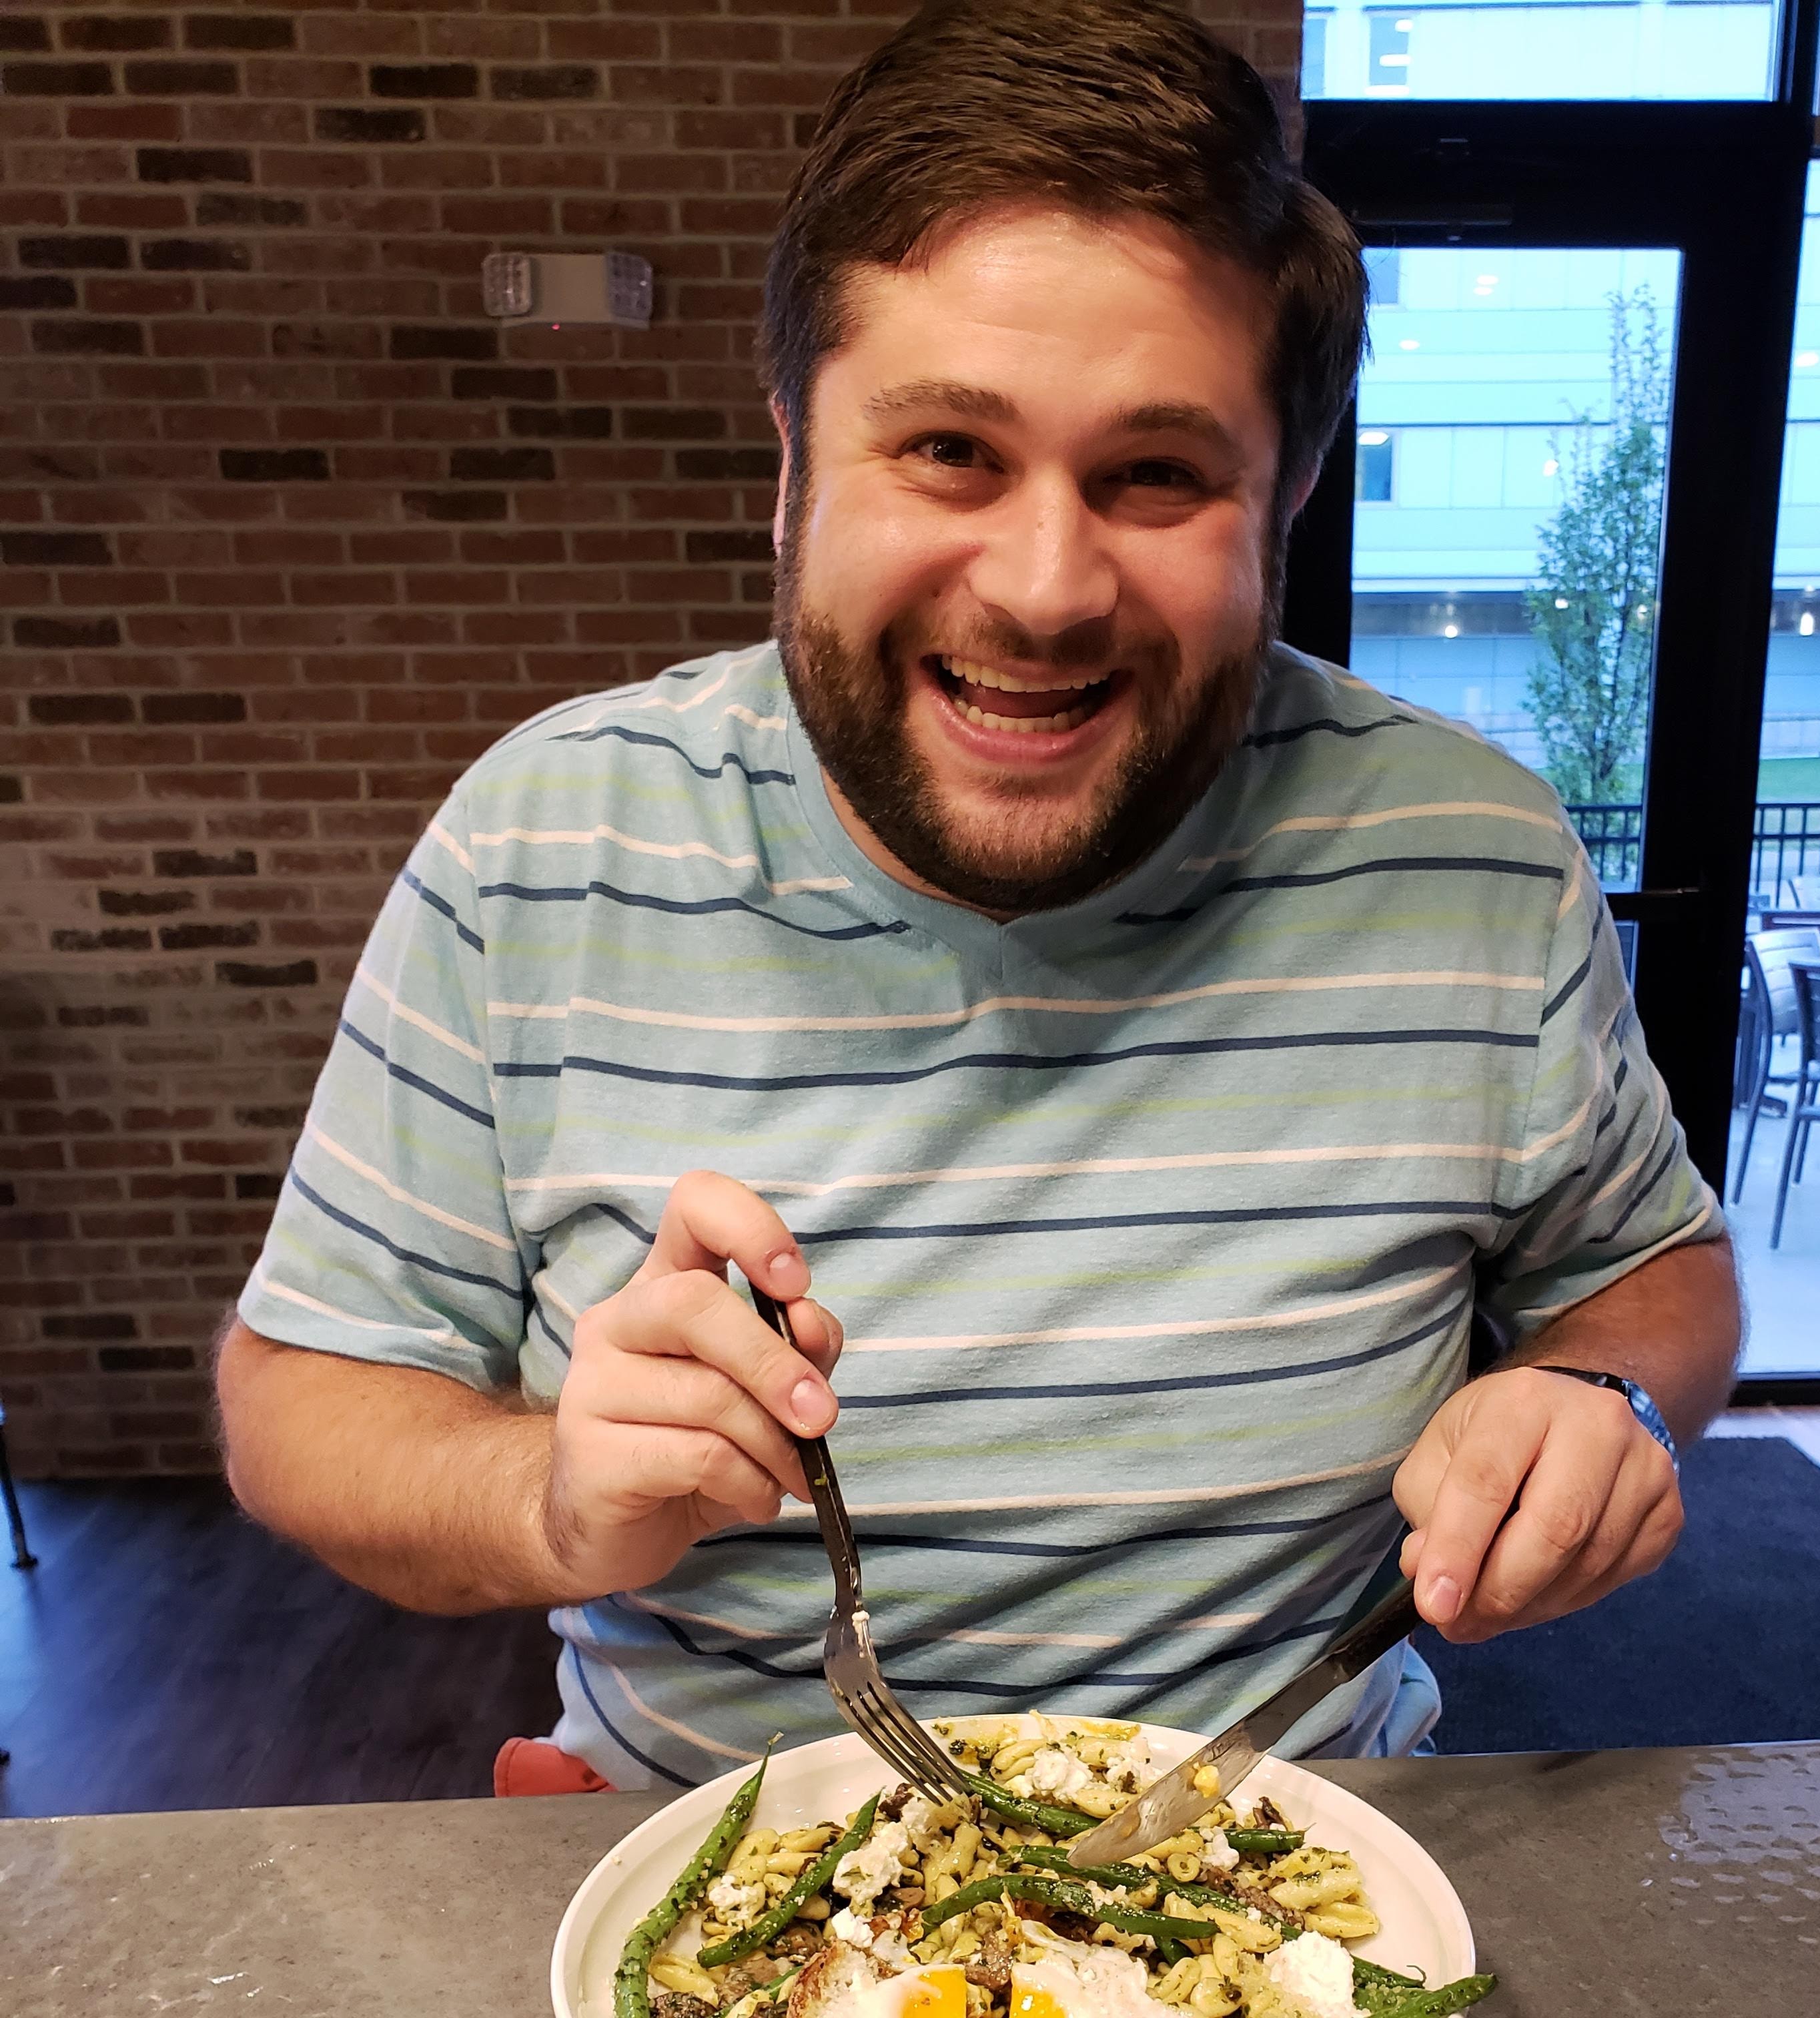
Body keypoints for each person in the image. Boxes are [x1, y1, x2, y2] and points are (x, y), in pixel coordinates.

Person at [217, 0, 1740, 1792]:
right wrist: (546, 1497)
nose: (1041, 587)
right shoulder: (541, 843)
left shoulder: (1473, 854)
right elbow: (300, 1401)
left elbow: (1656, 1276)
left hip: (1311, 1868)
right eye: (947, 448)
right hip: (710, 1879)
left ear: (1293, 495)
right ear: (794, 455)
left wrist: (1598, 1396)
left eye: (1157, 475)